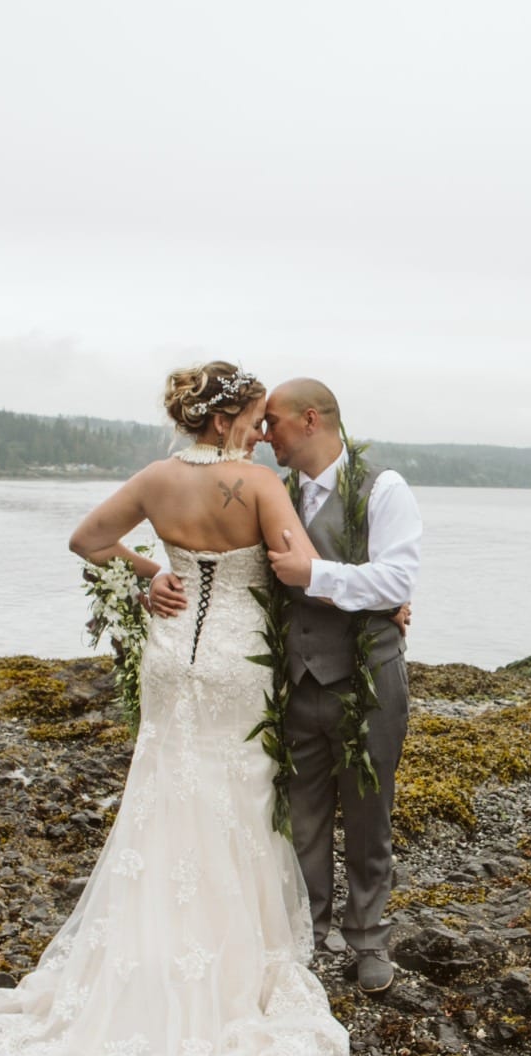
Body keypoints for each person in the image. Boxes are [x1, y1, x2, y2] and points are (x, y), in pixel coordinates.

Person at [0, 363, 349, 1056]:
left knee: (162, 796)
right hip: (234, 662)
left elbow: (87, 541)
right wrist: (365, 592)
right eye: (254, 417)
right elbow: (294, 566)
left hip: (169, 655)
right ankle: (230, 965)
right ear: (225, 422)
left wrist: (155, 575)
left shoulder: (154, 478)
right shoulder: (257, 482)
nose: (261, 431)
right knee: (238, 798)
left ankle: (142, 955)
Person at [150, 377, 420, 995]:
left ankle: (368, 939)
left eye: (272, 423)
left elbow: (398, 577)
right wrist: (156, 582)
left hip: (368, 678)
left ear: (309, 420)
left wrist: (318, 574)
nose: (263, 434)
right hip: (291, 681)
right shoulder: (271, 490)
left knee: (369, 811)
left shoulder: (384, 489)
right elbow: (219, 557)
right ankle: (306, 932)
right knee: (300, 818)